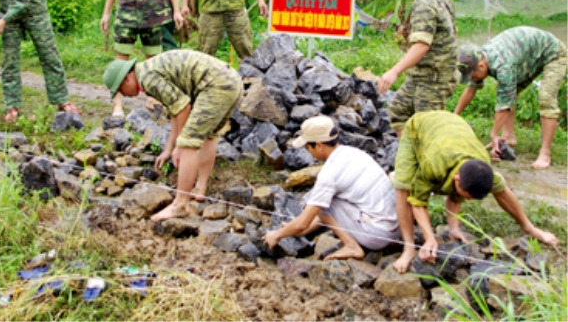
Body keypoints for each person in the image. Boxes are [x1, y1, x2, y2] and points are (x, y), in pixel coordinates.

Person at [390, 111, 558, 274]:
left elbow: (497, 191)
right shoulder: (434, 165)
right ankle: (409, 247)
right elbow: (418, 202)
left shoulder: (482, 165)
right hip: (419, 128)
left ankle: (528, 228)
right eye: (463, 194)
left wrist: (453, 230)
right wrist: (429, 238)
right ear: (456, 178)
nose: (464, 200)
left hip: (454, 129)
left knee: (499, 186)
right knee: (403, 186)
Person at [103, 50, 243, 221]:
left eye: (119, 90)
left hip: (216, 85)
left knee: (188, 144)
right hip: (231, 82)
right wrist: (169, 149)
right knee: (208, 135)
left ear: (126, 78)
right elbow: (176, 112)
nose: (123, 95)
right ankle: (199, 189)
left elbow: (183, 107)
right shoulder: (148, 70)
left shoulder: (148, 77)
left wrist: (180, 146)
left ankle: (180, 205)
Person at [263, 116, 400, 259]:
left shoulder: (329, 173)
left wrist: (277, 235)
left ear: (319, 145)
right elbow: (324, 216)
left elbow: (306, 221)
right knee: (324, 199)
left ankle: (351, 246)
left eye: (308, 147)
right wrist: (296, 230)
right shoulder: (352, 152)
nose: (308, 152)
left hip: (377, 235)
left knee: (321, 202)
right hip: (395, 228)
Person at [455, 27, 567, 170]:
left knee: (546, 98)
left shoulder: (503, 66)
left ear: (481, 66)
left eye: (472, 75)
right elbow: (470, 90)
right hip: (529, 55)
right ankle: (508, 136)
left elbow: (504, 103)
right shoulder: (479, 57)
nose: (473, 79)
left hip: (554, 54)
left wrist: (493, 135)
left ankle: (545, 153)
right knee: (509, 90)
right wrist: (453, 116)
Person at [377, 0, 458, 136]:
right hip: (421, 74)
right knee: (398, 111)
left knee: (427, 128)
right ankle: (410, 158)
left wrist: (394, 71)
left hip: (434, 77)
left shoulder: (425, 2)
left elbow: (422, 45)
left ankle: (429, 161)